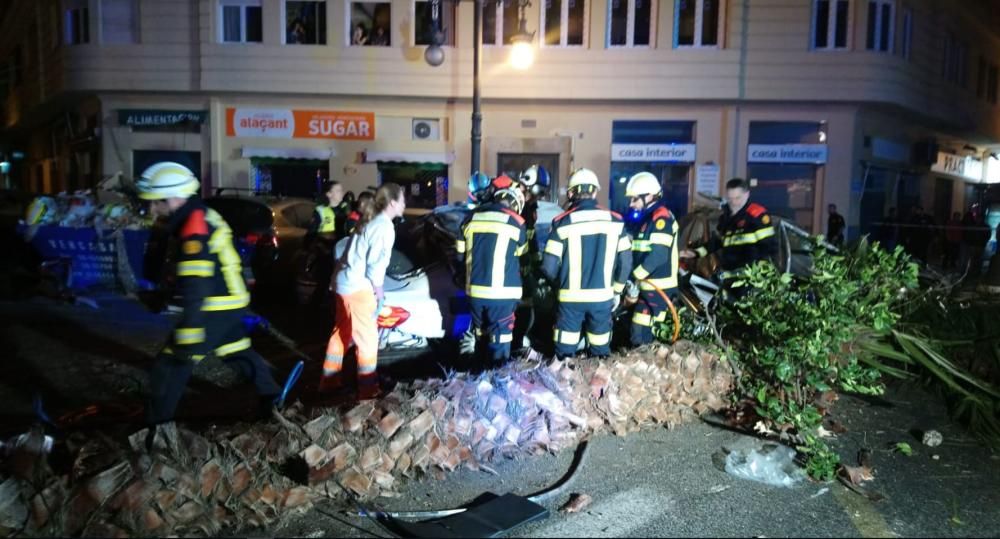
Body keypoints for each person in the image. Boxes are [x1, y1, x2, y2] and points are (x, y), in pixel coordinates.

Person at [136, 162, 280, 428]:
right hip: (229, 301)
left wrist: (191, 327)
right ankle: (274, 400)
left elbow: (196, 279)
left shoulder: (194, 225)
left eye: (157, 202)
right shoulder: (199, 215)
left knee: (170, 365)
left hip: (215, 305)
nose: (154, 209)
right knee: (237, 351)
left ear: (174, 197)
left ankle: (157, 430)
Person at [320, 183, 406, 400]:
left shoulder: (369, 221)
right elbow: (375, 266)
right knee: (367, 340)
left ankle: (329, 382)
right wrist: (380, 293)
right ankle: (368, 390)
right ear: (393, 203)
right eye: (403, 200)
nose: (405, 204)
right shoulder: (384, 227)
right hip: (359, 289)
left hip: (344, 285)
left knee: (342, 332)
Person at [541, 168, 631, 359]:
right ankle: (597, 389)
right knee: (600, 354)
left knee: (564, 355)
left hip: (570, 300)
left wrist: (560, 286)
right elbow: (625, 262)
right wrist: (617, 290)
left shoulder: (561, 222)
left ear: (571, 193)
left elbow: (548, 267)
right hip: (602, 299)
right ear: (595, 192)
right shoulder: (615, 221)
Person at [456, 175, 528, 364]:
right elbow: (522, 255)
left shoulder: (470, 218)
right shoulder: (517, 222)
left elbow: (459, 255)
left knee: (481, 339)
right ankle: (497, 384)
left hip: (475, 293)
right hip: (502, 296)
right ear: (515, 203)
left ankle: (480, 378)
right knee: (499, 343)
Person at [681, 177, 777, 284]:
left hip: (750, 279)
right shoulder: (726, 218)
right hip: (730, 276)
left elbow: (769, 248)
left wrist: (759, 275)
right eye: (731, 199)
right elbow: (717, 242)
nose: (734, 203)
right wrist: (696, 253)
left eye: (738, 198)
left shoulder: (756, 215)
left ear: (747, 195)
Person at [621, 171, 679, 346]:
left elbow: (658, 256)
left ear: (650, 196)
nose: (632, 204)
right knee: (638, 333)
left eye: (635, 199)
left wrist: (634, 276)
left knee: (642, 334)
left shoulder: (661, 219)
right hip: (648, 286)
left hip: (660, 287)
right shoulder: (647, 218)